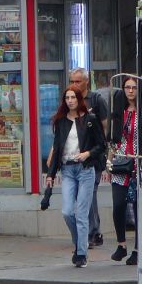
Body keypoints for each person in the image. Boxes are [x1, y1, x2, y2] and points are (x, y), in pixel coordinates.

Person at [45, 85, 107, 267]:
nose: (70, 100)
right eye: (67, 98)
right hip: (67, 170)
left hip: (85, 169)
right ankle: (80, 241)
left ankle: (81, 254)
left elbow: (102, 145)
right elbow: (57, 149)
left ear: (79, 99)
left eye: (73, 97)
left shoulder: (90, 119)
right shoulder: (60, 121)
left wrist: (87, 153)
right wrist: (50, 175)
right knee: (66, 212)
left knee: (81, 213)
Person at [69, 68, 109, 248]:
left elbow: (104, 127)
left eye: (78, 81)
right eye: (72, 81)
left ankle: (92, 232)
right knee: (81, 195)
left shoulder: (96, 99)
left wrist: (101, 149)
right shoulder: (70, 100)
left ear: (86, 82)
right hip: (75, 155)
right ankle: (92, 231)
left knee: (89, 192)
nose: (74, 85)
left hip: (93, 155)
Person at [108, 77, 141, 265]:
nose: (130, 91)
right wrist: (109, 160)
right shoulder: (119, 113)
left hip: (138, 164)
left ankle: (137, 249)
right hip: (121, 162)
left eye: (134, 87)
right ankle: (121, 244)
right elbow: (113, 139)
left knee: (137, 208)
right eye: (127, 87)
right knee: (118, 204)